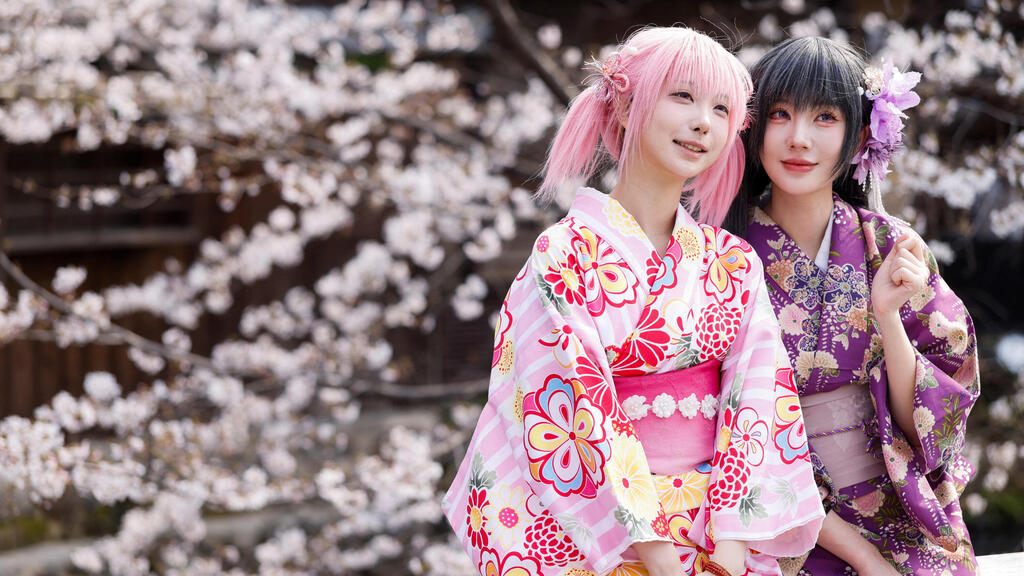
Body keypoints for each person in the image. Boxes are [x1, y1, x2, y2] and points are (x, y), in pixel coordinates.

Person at [443, 27, 824, 576]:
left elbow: (760, 398)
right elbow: (571, 404)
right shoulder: (564, 254)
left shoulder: (733, 261)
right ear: (624, 106)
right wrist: (653, 550)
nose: (704, 122)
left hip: (716, 534)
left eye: (722, 109)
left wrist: (731, 540)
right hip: (602, 540)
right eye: (683, 96)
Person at [724, 36, 979, 575]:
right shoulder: (723, 254)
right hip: (775, 516)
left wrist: (888, 318)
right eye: (780, 114)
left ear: (861, 134)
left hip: (896, 508)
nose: (798, 138)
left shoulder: (892, 247)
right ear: (752, 126)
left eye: (824, 117)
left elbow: (932, 417)